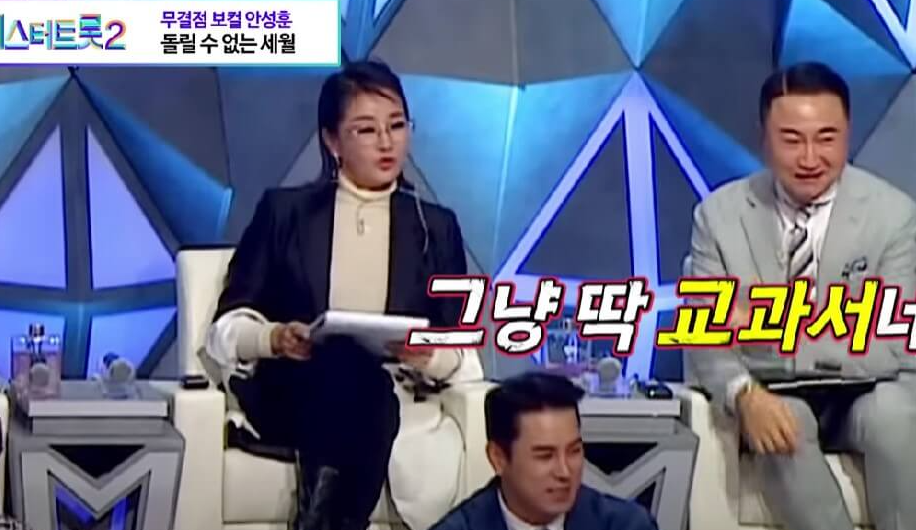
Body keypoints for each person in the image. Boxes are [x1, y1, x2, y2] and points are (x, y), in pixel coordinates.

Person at [205, 60, 484, 530]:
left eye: (397, 126)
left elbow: (461, 348)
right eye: (366, 129)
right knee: (344, 368)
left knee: (363, 383)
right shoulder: (285, 212)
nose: (387, 142)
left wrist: (428, 356)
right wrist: (273, 338)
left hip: (386, 395)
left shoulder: (435, 227)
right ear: (333, 141)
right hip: (291, 391)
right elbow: (224, 329)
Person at [687, 61, 916, 530]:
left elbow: (891, 339)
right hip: (770, 391)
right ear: (764, 138)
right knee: (781, 426)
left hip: (868, 389)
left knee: (894, 415)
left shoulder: (893, 216)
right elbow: (704, 335)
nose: (810, 157)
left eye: (826, 138)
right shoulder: (718, 216)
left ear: (848, 134)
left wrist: (766, 326)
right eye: (792, 140)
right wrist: (744, 392)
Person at [429, 372, 658, 530]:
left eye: (574, 451)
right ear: (498, 458)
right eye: (545, 456)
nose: (564, 472)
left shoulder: (627, 525)